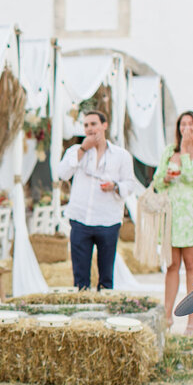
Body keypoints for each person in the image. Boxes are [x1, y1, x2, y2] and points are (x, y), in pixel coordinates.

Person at [54, 110, 136, 291]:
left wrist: (114, 186)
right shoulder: (75, 151)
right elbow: (62, 173)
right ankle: (82, 308)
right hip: (80, 218)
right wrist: (83, 149)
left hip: (108, 219)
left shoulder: (121, 155)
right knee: (80, 275)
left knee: (106, 275)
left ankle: (104, 309)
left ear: (104, 125)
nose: (90, 128)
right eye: (86, 125)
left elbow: (130, 184)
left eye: (93, 124)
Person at [152, 111, 193, 334]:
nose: (186, 128)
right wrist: (166, 177)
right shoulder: (170, 151)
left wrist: (187, 151)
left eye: (190, 124)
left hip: (192, 214)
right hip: (172, 213)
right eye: (182, 124)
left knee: (191, 265)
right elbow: (157, 180)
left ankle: (191, 318)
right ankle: (167, 315)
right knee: (171, 265)